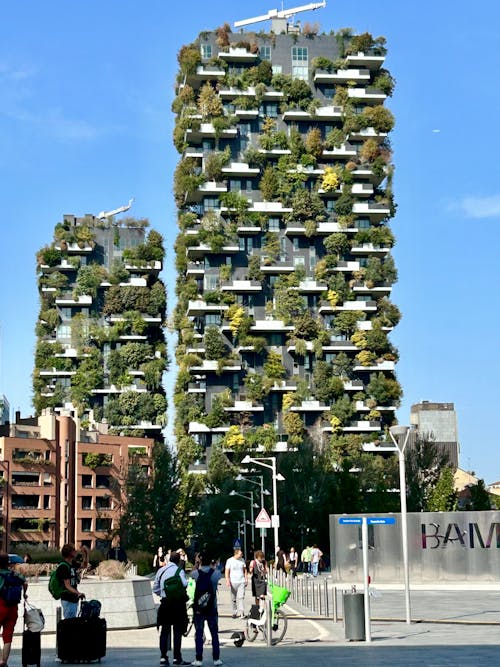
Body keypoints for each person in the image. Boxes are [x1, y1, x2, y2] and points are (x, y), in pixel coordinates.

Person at [153, 551, 190, 666]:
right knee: (177, 632)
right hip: (178, 605)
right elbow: (185, 584)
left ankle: (163, 657)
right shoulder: (180, 571)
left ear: (168, 560)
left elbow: (155, 588)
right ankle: (177, 658)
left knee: (164, 631)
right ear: (179, 560)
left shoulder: (161, 570)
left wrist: (163, 593)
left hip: (165, 604)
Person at [191, 551, 222, 667]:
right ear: (211, 561)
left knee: (199, 633)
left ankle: (198, 659)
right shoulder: (216, 574)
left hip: (199, 608)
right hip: (211, 607)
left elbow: (191, 574)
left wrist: (197, 563)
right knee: (214, 633)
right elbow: (218, 572)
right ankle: (216, 658)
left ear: (201, 560)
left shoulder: (195, 574)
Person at [0, 552, 27, 667]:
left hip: (0, 605)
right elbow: (25, 583)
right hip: (12, 607)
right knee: (8, 635)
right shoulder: (14, 574)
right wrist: (25, 594)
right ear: (8, 563)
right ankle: (4, 661)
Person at [56, 544, 85, 619]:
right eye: (73, 550)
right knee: (69, 623)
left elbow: (84, 565)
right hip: (67, 599)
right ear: (69, 553)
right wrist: (78, 593)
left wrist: (86, 553)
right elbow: (67, 585)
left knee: (72, 622)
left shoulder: (72, 564)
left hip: (74, 598)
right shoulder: (63, 566)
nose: (75, 552)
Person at [224, 548, 247, 619]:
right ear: (236, 554)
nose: (241, 555)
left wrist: (246, 578)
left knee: (241, 597)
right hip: (233, 581)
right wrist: (227, 579)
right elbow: (227, 571)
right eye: (240, 554)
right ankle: (234, 611)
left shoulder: (242, 560)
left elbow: (245, 570)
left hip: (241, 581)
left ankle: (241, 612)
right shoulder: (230, 560)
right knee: (233, 598)